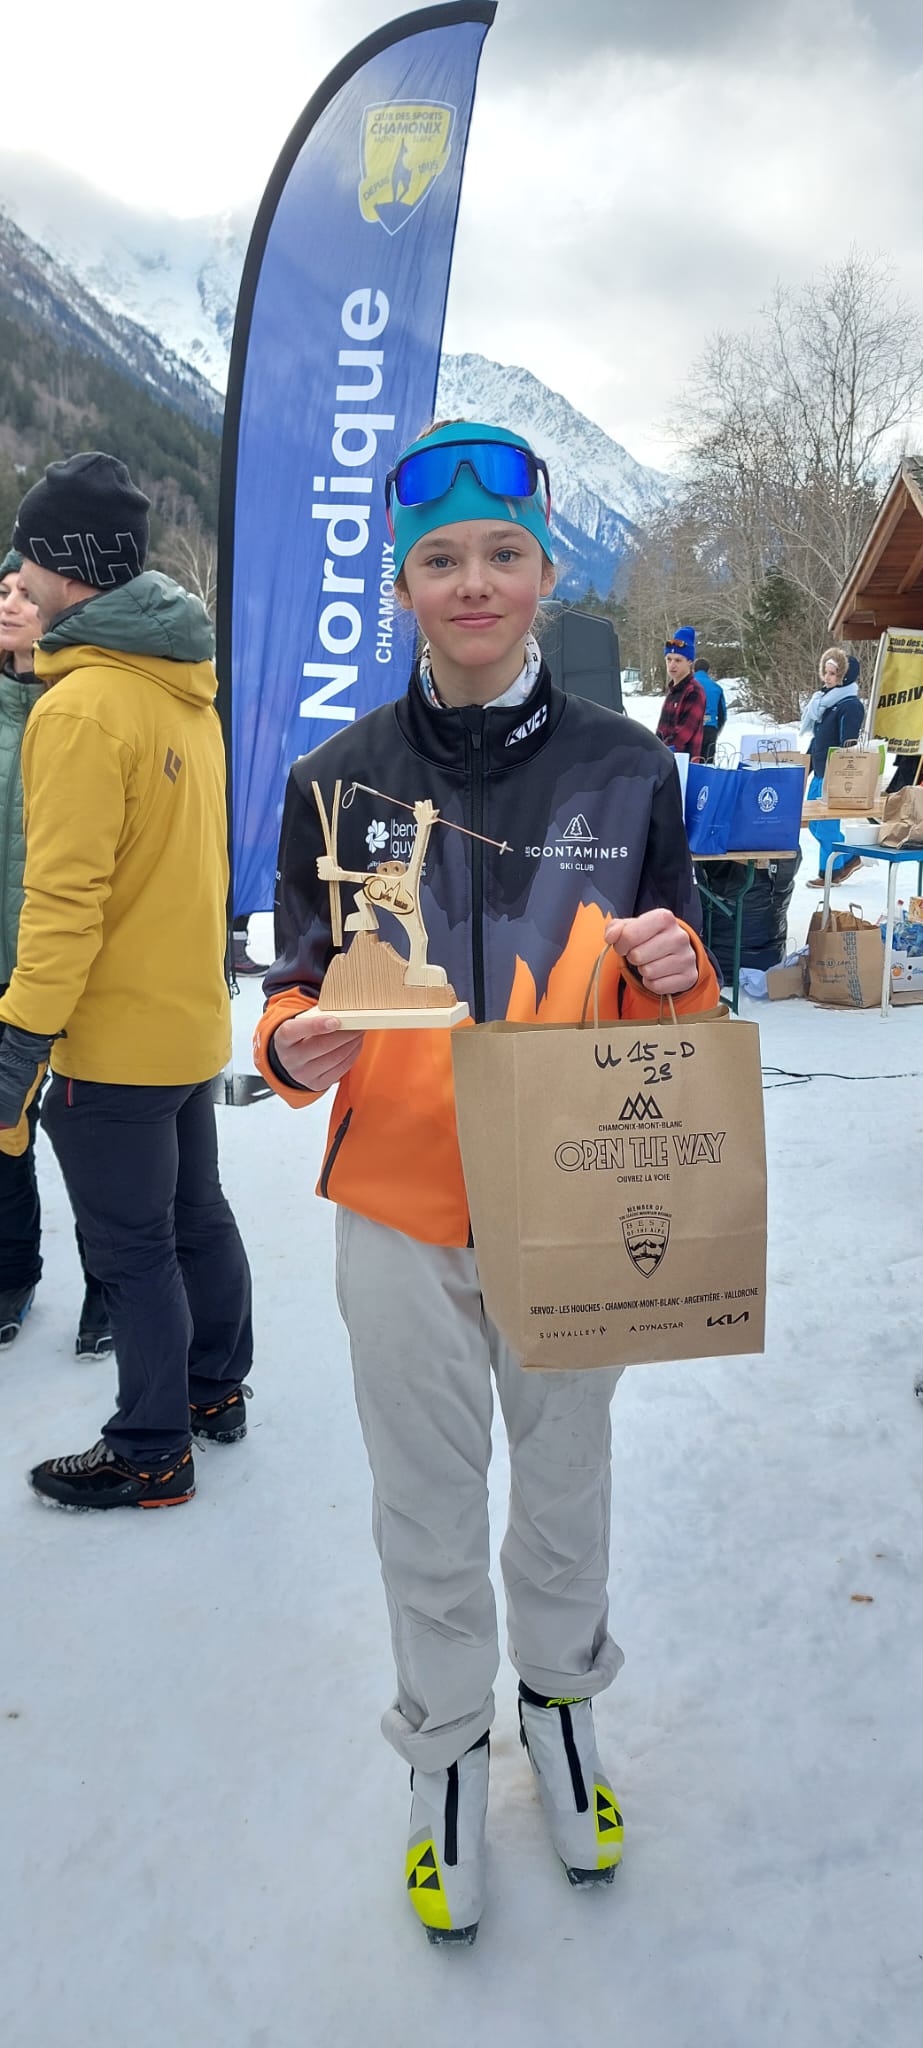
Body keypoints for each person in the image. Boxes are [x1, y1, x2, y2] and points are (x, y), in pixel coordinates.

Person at [252, 420, 720, 1944]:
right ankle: (444, 1750)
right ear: (399, 585)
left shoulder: (627, 769)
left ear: (544, 573)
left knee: (565, 1480)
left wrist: (675, 970)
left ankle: (560, 1707)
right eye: (440, 559)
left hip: (572, 1190)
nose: (472, 583)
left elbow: (675, 991)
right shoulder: (334, 780)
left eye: (501, 555)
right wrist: (287, 1045)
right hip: (397, 1203)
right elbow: (292, 980)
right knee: (424, 1498)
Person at [0, 452, 253, 1509]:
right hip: (185, 1020)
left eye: (26, 555)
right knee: (197, 1216)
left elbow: (63, 901)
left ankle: (150, 1448)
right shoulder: (178, 689)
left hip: (110, 1040)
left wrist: (21, 1038)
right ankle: (213, 1391)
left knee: (132, 1248)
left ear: (65, 567)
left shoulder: (80, 707)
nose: (16, 574)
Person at [0, 549, 112, 1354]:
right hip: (2, 967)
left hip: (73, 968)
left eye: (24, 592)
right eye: (0, 591)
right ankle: (13, 1271)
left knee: (88, 1136)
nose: (10, 603)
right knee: (3, 1132)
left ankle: (109, 1285)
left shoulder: (81, 706)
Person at [801, 648, 865, 887]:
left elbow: (848, 745)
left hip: (834, 775)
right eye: (825, 672)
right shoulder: (825, 702)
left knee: (827, 827)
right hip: (819, 771)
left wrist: (842, 775)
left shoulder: (850, 705)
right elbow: (818, 739)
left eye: (833, 674)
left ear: (844, 676)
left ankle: (830, 872)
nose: (827, 678)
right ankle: (850, 856)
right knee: (814, 824)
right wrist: (805, 767)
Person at [656, 627, 706, 762]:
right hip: (665, 761)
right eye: (669, 659)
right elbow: (661, 732)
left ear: (689, 661)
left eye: (678, 660)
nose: (672, 665)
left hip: (683, 765)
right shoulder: (673, 691)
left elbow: (682, 736)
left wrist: (657, 752)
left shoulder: (694, 691)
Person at [693, 657, 728, 764]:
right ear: (708, 670)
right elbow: (722, 714)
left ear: (694, 669)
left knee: (690, 763)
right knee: (708, 763)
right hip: (710, 728)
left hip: (691, 729)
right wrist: (716, 729)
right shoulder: (716, 688)